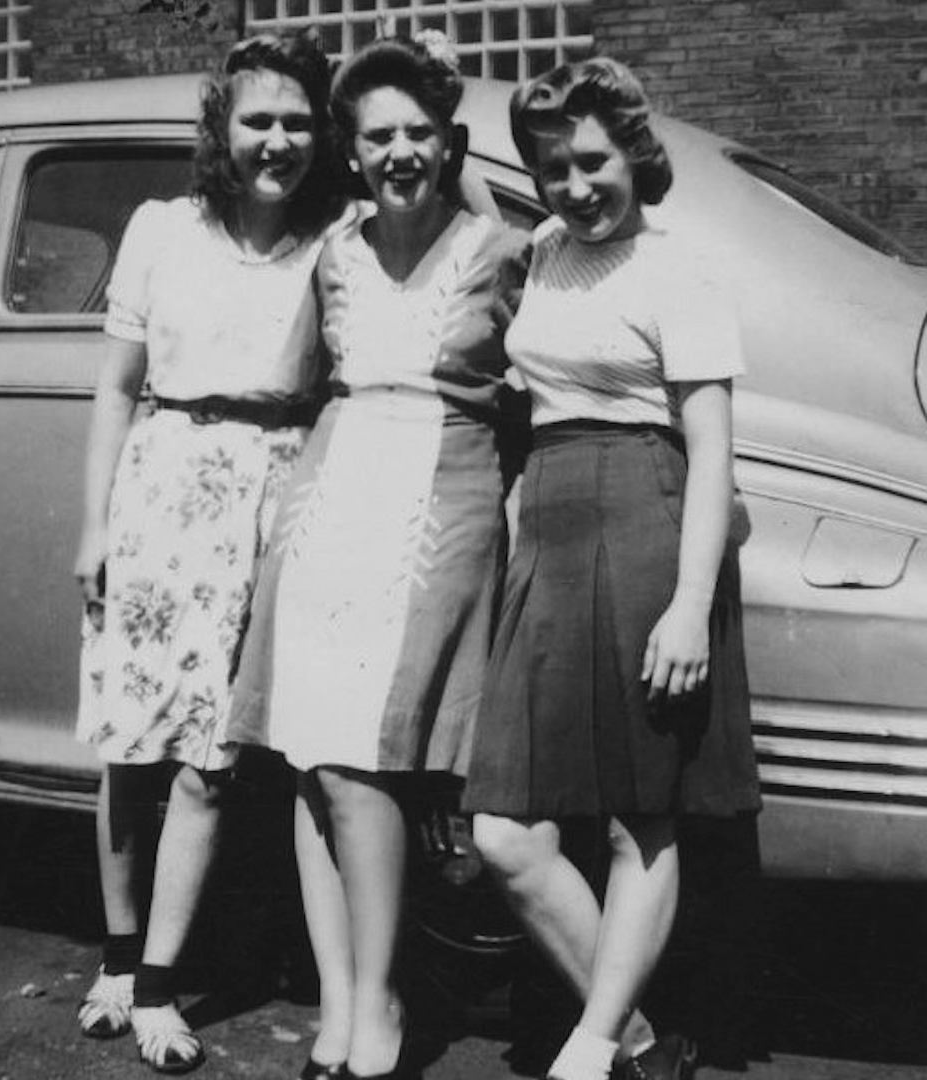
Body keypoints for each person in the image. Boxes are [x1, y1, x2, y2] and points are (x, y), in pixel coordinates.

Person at [226, 33, 525, 1080]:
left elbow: (532, 396)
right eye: (378, 136)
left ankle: (386, 1003)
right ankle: (342, 1013)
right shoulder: (336, 254)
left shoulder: (498, 252)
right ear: (351, 152)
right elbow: (297, 382)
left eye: (419, 133)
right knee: (311, 766)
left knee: (366, 767)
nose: (399, 152)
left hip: (437, 505)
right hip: (330, 504)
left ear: (449, 143)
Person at [463, 59, 762, 1080]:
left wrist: (687, 606)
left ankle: (590, 1050)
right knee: (505, 830)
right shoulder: (542, 249)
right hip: (546, 527)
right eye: (552, 169)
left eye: (592, 162)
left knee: (644, 813)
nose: (576, 186)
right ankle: (635, 1042)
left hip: (646, 518)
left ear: (635, 153)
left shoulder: (681, 269)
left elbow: (712, 448)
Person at [73, 32, 346, 1075]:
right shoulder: (162, 230)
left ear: (319, 135)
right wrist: (94, 525)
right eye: (257, 120)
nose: (276, 140)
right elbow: (115, 385)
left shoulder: (337, 236)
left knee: (213, 759)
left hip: (278, 496)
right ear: (222, 130)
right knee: (131, 744)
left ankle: (157, 984)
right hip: (163, 488)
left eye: (295, 121)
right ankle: (115, 951)